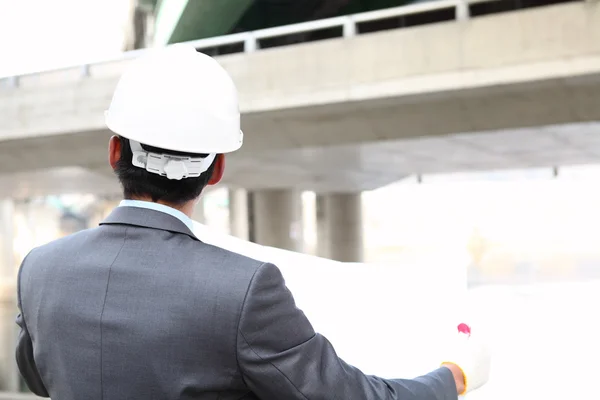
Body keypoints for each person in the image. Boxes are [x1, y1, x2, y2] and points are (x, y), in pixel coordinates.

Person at [15, 44, 490, 399]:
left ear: (116, 150)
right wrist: (455, 375)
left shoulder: (39, 269)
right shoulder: (244, 289)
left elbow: (38, 375)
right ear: (217, 168)